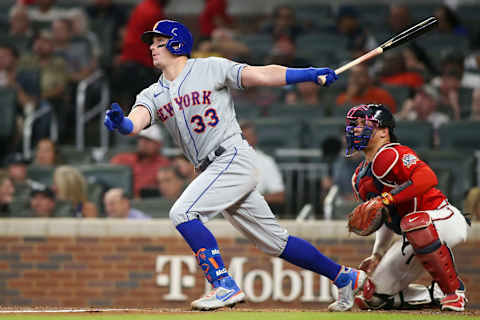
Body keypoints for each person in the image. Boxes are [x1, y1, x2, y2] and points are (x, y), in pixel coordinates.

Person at [104, 19, 366, 312]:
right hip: (212, 168)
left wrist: (306, 74)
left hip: (232, 156)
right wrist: (122, 123)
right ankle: (345, 277)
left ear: (176, 42)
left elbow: (261, 75)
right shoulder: (152, 93)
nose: (152, 46)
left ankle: (223, 284)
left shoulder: (209, 67)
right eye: (151, 42)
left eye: (158, 40)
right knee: (275, 242)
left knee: (183, 212)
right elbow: (135, 121)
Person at [343, 104, 469, 312]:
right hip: (411, 233)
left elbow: (428, 177)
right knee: (371, 296)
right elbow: (383, 216)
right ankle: (433, 294)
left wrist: (387, 198)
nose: (356, 129)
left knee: (414, 224)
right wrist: (377, 254)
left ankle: (453, 292)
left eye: (364, 124)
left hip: (442, 219)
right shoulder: (358, 177)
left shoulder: (391, 154)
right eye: (354, 125)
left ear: (384, 131)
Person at [110, 125, 170, 198]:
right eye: (141, 139)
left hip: (150, 202)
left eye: (148, 140)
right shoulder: (124, 158)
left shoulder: (164, 164)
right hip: (126, 200)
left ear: (158, 144)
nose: (143, 143)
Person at [240, 120, 285, 207]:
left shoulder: (266, 162)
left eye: (247, 138)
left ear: (255, 138)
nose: (243, 141)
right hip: (221, 212)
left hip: (253, 209)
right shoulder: (222, 159)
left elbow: (279, 196)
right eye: (241, 138)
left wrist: (250, 200)